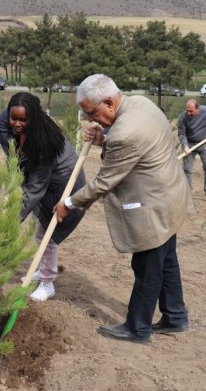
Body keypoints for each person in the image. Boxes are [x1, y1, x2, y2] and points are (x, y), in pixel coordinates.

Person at [54, 74, 191, 343]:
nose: (91, 119)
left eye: (92, 113)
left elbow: (105, 180)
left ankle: (137, 328)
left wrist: (69, 203)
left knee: (148, 267)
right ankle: (175, 316)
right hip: (171, 196)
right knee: (167, 261)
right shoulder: (141, 104)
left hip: (153, 207)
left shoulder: (124, 135)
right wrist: (104, 138)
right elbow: (136, 148)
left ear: (108, 102)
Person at [0, 92, 86, 301]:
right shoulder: (9, 119)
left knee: (48, 235)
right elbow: (2, 129)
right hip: (47, 179)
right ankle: (42, 268)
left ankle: (47, 282)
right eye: (13, 118)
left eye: (22, 120)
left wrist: (12, 219)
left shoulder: (44, 145)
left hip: (64, 186)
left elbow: (35, 189)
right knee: (40, 233)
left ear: (34, 118)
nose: (16, 124)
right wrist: (14, 157)